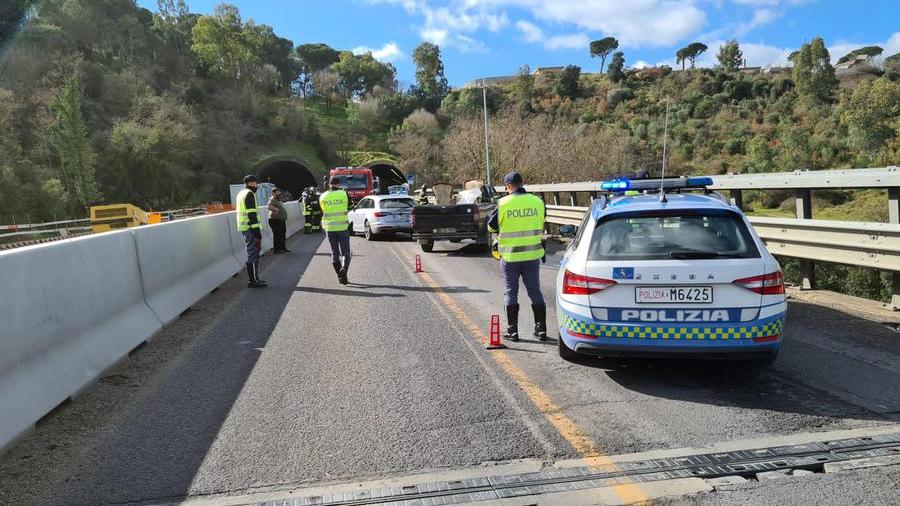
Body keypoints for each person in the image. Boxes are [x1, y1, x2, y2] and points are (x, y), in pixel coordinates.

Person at [487, 171, 547, 341]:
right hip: (532, 255)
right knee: (535, 291)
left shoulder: (503, 203)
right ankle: (541, 329)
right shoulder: (537, 201)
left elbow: (491, 227)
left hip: (510, 257)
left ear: (508, 186)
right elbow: (543, 219)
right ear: (522, 183)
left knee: (510, 292)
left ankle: (513, 331)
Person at [236, 175, 267, 288]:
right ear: (251, 183)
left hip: (244, 227)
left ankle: (255, 278)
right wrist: (256, 230)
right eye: (255, 183)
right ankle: (253, 280)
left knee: (252, 252)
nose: (257, 185)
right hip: (250, 227)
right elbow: (252, 213)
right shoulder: (249, 194)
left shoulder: (241, 193)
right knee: (253, 252)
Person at [319, 177, 352, 285]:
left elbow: (323, 210)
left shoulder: (323, 196)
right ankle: (343, 271)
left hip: (329, 228)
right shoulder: (344, 193)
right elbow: (351, 206)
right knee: (346, 252)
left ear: (329, 184)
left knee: (334, 252)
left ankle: (340, 276)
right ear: (338, 184)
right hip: (342, 227)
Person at [267, 187, 290, 254]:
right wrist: (276, 210)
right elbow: (268, 206)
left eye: (279, 192)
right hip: (275, 220)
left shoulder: (278, 200)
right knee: (277, 235)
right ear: (273, 193)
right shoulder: (272, 199)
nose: (279, 193)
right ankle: (277, 250)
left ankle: (283, 248)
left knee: (282, 234)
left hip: (280, 220)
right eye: (277, 192)